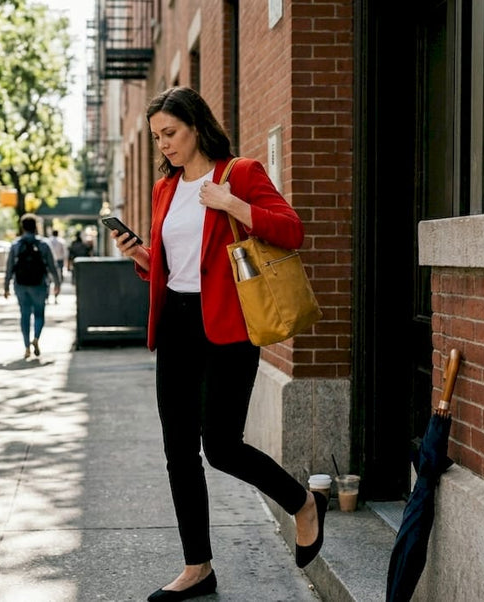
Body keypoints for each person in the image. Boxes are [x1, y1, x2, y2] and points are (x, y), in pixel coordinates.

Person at [111, 86, 326, 601]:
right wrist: (141, 256)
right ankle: (198, 567)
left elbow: (292, 231)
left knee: (223, 447)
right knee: (178, 452)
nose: (164, 144)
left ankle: (302, 503)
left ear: (196, 126)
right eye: (156, 137)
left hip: (228, 326)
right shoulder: (165, 189)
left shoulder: (241, 173)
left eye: (170, 133)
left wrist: (232, 203)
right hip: (177, 324)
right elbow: (178, 267)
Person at [4, 213, 60, 359]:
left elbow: (9, 267)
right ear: (36, 227)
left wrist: (6, 286)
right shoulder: (43, 244)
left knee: (25, 314)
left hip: (21, 285)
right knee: (39, 314)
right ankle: (36, 338)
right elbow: (52, 266)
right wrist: (57, 283)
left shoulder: (16, 245)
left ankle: (26, 346)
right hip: (39, 284)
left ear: (22, 227)